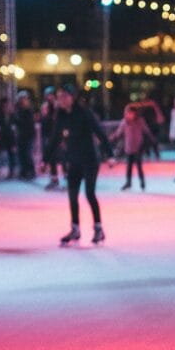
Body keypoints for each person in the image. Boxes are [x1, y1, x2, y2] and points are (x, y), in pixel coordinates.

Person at [46, 85, 113, 246]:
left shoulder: (83, 112)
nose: (61, 100)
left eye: (64, 96)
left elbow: (99, 132)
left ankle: (98, 228)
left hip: (90, 159)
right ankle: (75, 228)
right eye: (59, 97)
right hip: (73, 160)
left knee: (90, 193)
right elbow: (55, 138)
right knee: (72, 195)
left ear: (71, 97)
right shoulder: (61, 115)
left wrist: (110, 154)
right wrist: (45, 159)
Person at [113, 105, 154, 190]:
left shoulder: (140, 121)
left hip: (138, 147)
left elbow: (146, 130)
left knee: (139, 165)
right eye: (126, 112)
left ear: (134, 113)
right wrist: (111, 138)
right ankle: (128, 182)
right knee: (129, 166)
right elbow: (118, 133)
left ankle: (142, 181)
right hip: (129, 147)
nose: (127, 114)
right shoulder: (124, 122)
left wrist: (151, 138)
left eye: (129, 112)